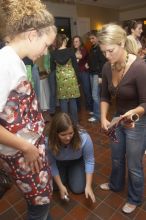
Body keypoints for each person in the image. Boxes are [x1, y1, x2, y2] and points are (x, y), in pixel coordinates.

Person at [0, 0, 56, 219]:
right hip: (22, 151)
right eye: (46, 45)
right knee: (39, 206)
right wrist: (26, 146)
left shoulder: (17, 61)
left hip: (28, 149)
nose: (45, 52)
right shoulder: (5, 64)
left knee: (42, 201)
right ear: (33, 35)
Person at [98, 23, 146, 214]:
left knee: (134, 163)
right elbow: (104, 96)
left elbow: (145, 103)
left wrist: (133, 112)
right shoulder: (106, 67)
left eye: (110, 51)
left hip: (137, 121)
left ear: (122, 43)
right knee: (117, 158)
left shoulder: (140, 67)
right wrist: (103, 117)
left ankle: (135, 198)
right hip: (118, 119)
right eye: (103, 52)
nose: (107, 56)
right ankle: (115, 184)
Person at [47, 112, 95, 203]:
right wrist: (61, 186)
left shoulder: (84, 137)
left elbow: (89, 160)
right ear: (55, 133)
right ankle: (66, 177)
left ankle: (72, 173)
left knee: (78, 189)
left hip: (76, 161)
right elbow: (51, 163)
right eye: (63, 135)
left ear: (74, 130)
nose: (68, 138)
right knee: (55, 187)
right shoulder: (48, 140)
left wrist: (88, 185)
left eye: (71, 133)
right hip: (59, 162)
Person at [50, 34, 80, 124]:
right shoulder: (70, 51)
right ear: (64, 41)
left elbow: (52, 68)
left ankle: (65, 123)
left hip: (61, 79)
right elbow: (75, 66)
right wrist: (78, 80)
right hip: (71, 78)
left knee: (63, 101)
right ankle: (75, 122)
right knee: (72, 100)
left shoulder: (53, 53)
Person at [87, 30, 106, 122]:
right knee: (95, 94)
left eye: (93, 38)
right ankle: (96, 111)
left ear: (98, 37)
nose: (91, 40)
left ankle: (98, 116)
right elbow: (93, 60)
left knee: (95, 95)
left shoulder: (100, 48)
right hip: (91, 73)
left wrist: (100, 76)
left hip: (97, 74)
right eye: (90, 38)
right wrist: (88, 64)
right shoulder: (92, 48)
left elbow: (102, 63)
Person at [72, 35, 93, 113]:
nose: (75, 43)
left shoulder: (83, 49)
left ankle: (90, 108)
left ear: (80, 42)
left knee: (86, 90)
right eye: (74, 41)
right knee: (76, 91)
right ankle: (78, 108)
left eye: (77, 41)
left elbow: (81, 56)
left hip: (84, 72)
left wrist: (70, 55)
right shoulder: (73, 50)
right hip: (76, 73)